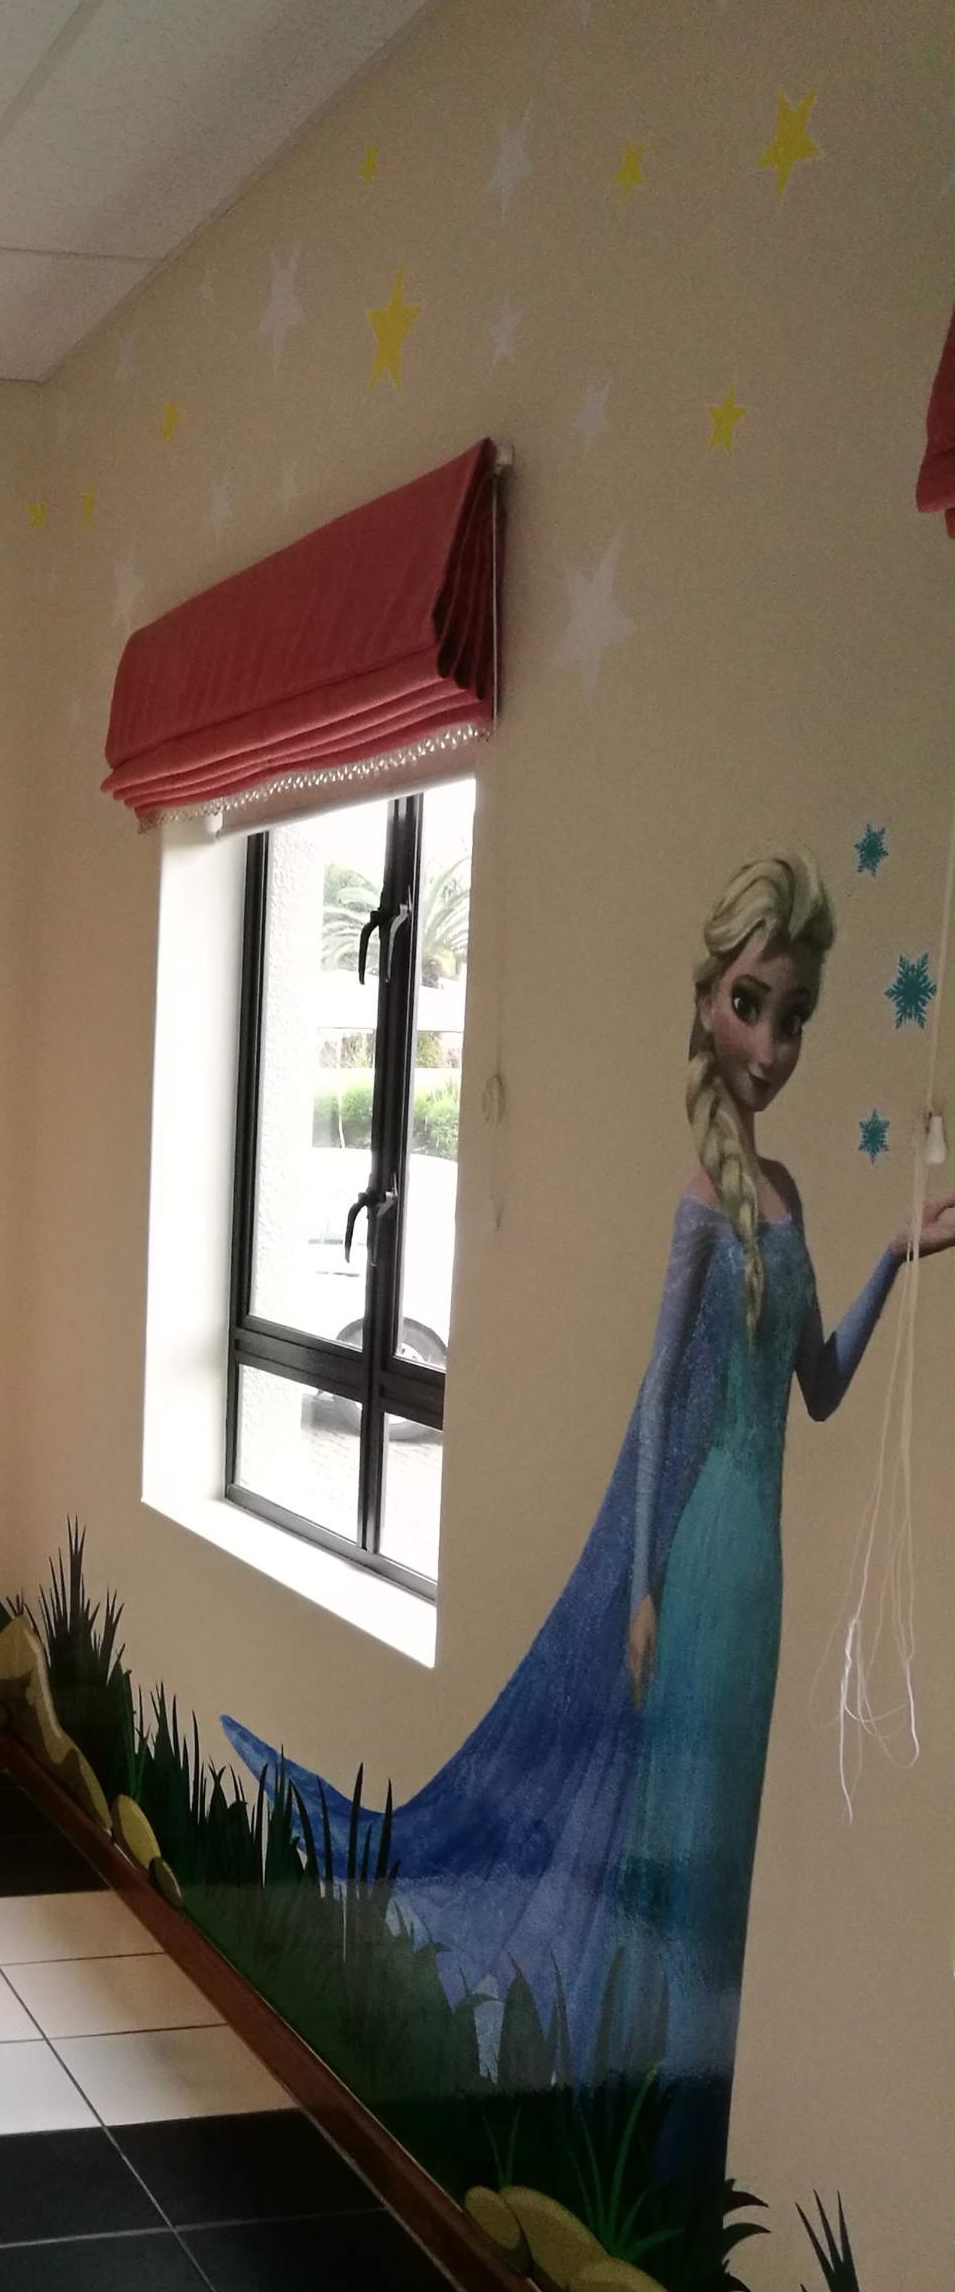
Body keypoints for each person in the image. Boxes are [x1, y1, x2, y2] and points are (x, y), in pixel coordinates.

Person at [225, 852, 955, 2206]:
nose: (771, 1046)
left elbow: (821, 1387)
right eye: (751, 1006)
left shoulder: (787, 1194)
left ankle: (679, 2156)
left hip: (758, 1575)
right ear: (708, 1003)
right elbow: (661, 1401)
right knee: (669, 1856)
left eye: (792, 1017)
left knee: (719, 1865)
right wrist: (639, 1594)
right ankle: (635, 2138)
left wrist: (891, 1263)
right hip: (700, 1558)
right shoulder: (702, 1207)